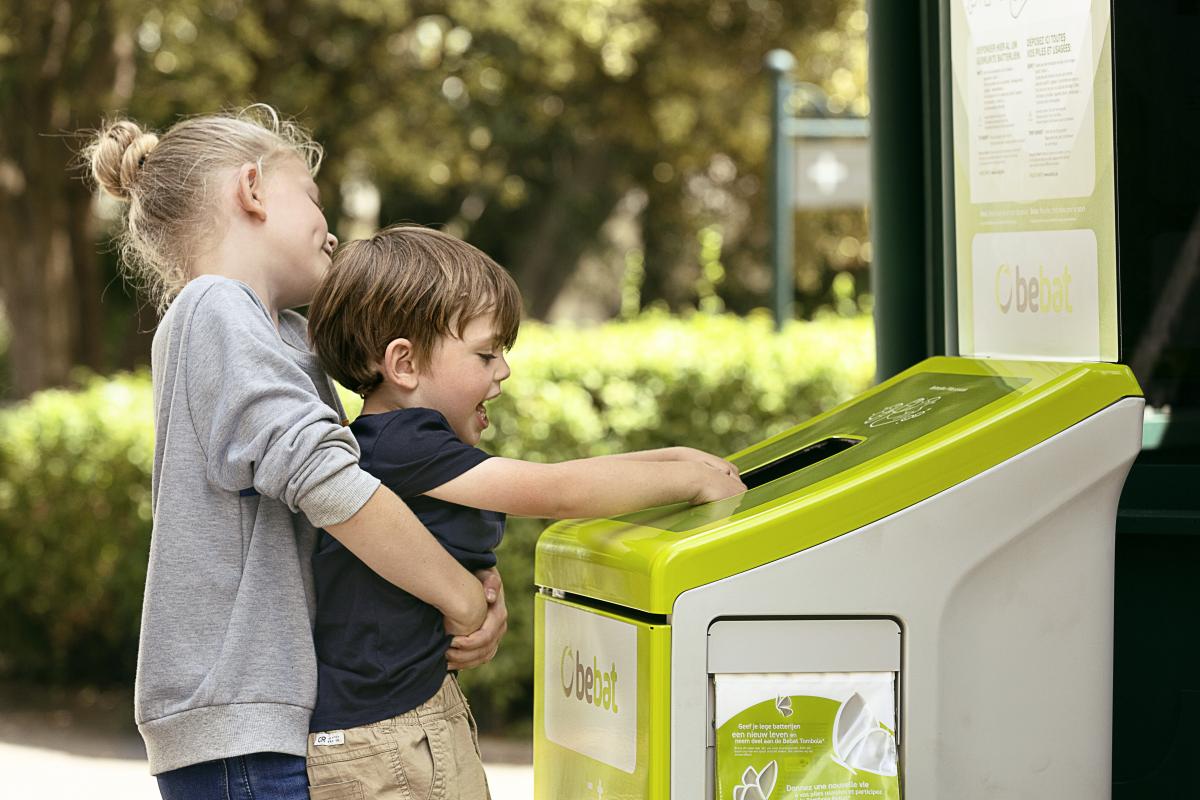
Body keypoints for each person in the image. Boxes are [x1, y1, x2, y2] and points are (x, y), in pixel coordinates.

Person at [85, 107, 508, 800]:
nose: (330, 227)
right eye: (312, 198)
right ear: (252, 189)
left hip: (266, 724)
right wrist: (459, 598)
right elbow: (333, 487)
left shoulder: (280, 333)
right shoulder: (213, 308)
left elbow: (369, 482)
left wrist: (473, 587)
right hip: (242, 732)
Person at [303, 224, 747, 799]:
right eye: (486, 353)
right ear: (404, 365)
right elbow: (555, 491)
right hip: (387, 741)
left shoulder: (397, 445)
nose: (503, 371)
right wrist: (681, 473)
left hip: (396, 726)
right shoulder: (400, 443)